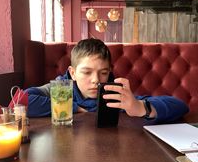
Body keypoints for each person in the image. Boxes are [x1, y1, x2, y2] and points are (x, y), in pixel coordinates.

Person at [25, 38, 189, 123]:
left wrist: (139, 107)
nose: (96, 80)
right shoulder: (61, 88)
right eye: (87, 72)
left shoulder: (114, 92)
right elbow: (22, 101)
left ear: (109, 71)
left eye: (103, 72)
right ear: (73, 73)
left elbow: (180, 106)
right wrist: (75, 108)